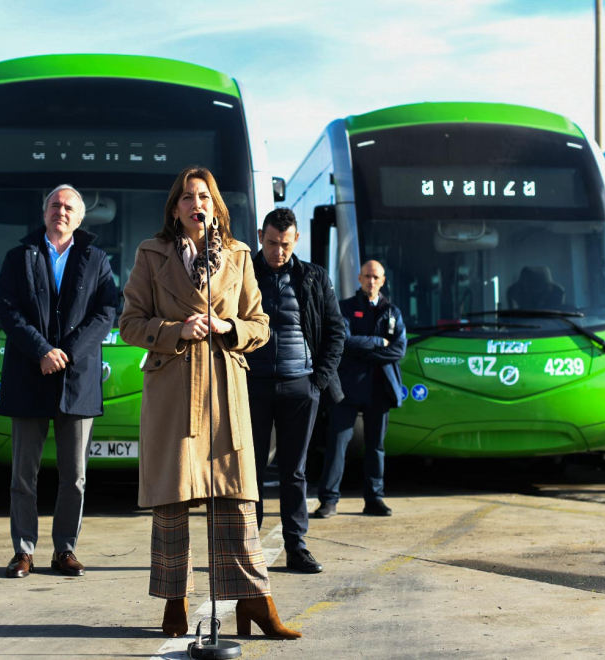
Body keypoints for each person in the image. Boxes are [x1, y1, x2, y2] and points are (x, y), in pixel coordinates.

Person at [119, 166, 301, 640]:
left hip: (225, 388)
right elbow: (130, 324)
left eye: (203, 196)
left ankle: (255, 602)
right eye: (186, 197)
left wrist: (230, 328)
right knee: (173, 500)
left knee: (238, 499)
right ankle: (174, 602)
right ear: (174, 208)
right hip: (173, 391)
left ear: (215, 205)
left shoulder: (240, 255)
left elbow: (260, 324)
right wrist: (175, 330)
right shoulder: (150, 252)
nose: (195, 204)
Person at [0, 184, 117, 578]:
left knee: (75, 477)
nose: (60, 211)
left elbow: (107, 312)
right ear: (44, 211)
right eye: (54, 204)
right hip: (29, 375)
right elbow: (9, 311)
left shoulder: (98, 260)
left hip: (77, 380)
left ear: (80, 218)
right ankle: (23, 552)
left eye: (68, 207)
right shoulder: (18, 256)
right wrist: (42, 352)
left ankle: (64, 550)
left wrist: (66, 353)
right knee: (23, 475)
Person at [247, 207, 344, 573]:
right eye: (272, 243)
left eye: (285, 244)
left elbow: (336, 331)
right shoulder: (243, 274)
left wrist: (316, 382)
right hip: (251, 385)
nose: (278, 251)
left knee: (295, 472)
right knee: (249, 471)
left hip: (299, 385)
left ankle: (296, 548)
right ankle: (248, 548)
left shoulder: (314, 277)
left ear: (296, 240)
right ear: (261, 236)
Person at [314, 260, 406, 519]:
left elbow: (399, 349)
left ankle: (374, 499)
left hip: (380, 389)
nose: (371, 281)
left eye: (376, 277)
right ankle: (329, 501)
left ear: (383, 280)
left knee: (376, 447)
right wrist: (378, 342)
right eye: (367, 276)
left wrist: (363, 351)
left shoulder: (393, 312)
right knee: (337, 445)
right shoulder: (344, 308)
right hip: (347, 389)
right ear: (359, 278)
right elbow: (343, 341)